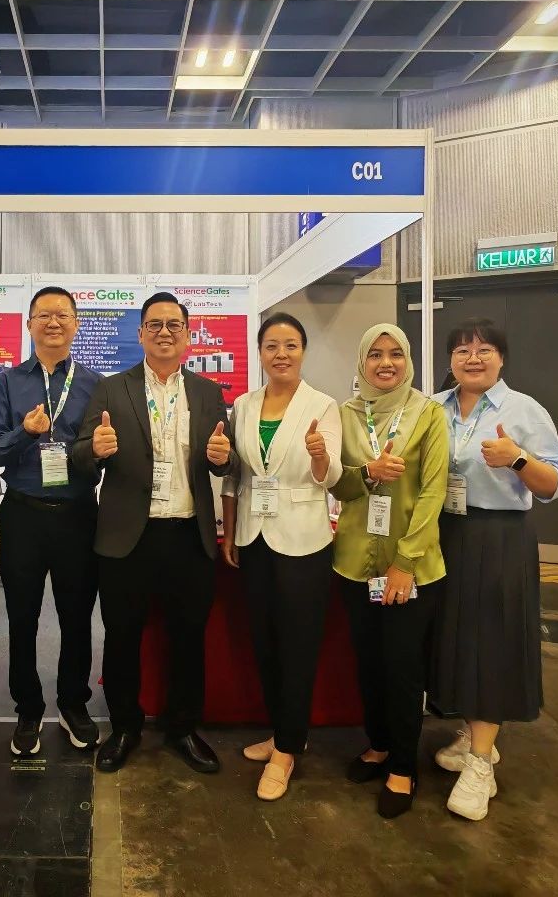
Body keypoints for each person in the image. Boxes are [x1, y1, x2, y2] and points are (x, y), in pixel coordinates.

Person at [72, 292, 237, 775]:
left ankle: (183, 728)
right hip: (129, 537)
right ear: (141, 333)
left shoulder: (207, 392)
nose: (165, 332)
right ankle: (124, 728)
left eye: (174, 325)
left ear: (187, 336)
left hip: (188, 536)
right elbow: (79, 455)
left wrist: (223, 458)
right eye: (155, 324)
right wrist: (95, 449)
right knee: (122, 637)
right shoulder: (111, 389)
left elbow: (227, 459)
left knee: (188, 637)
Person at [430, 317, 558, 821]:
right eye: (462, 350)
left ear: (501, 357)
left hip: (499, 537)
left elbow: (557, 482)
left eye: (484, 349)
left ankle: (480, 764)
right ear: (450, 359)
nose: (473, 358)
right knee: (454, 638)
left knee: (489, 642)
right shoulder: (434, 407)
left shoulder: (523, 410)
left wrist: (517, 459)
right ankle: (474, 734)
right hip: (445, 533)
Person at [221, 313, 342, 801]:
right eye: (271, 345)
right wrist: (230, 530)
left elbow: (332, 476)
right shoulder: (244, 405)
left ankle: (288, 749)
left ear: (303, 351)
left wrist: (319, 455)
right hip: (254, 537)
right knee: (266, 643)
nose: (281, 354)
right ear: (260, 353)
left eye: (291, 345)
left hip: (303, 541)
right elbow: (236, 474)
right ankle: (282, 732)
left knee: (298, 646)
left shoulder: (323, 405)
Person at [330, 323, 448, 819]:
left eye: (395, 354)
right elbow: (337, 486)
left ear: (408, 361)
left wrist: (404, 563)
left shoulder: (429, 413)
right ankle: (378, 745)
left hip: (411, 569)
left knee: (402, 667)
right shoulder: (346, 414)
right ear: (362, 362)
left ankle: (403, 766)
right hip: (354, 563)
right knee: (369, 662)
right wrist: (366, 473)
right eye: (375, 354)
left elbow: (434, 491)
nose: (385, 363)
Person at [0, 286, 103, 757]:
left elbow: (100, 451)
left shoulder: (95, 384)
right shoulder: (8, 382)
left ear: (75, 324)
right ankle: (28, 708)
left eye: (63, 315)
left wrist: (97, 450)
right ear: (29, 324)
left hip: (78, 516)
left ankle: (73, 704)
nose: (53, 322)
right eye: (44, 315)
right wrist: (25, 432)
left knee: (77, 618)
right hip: (24, 515)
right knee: (22, 617)